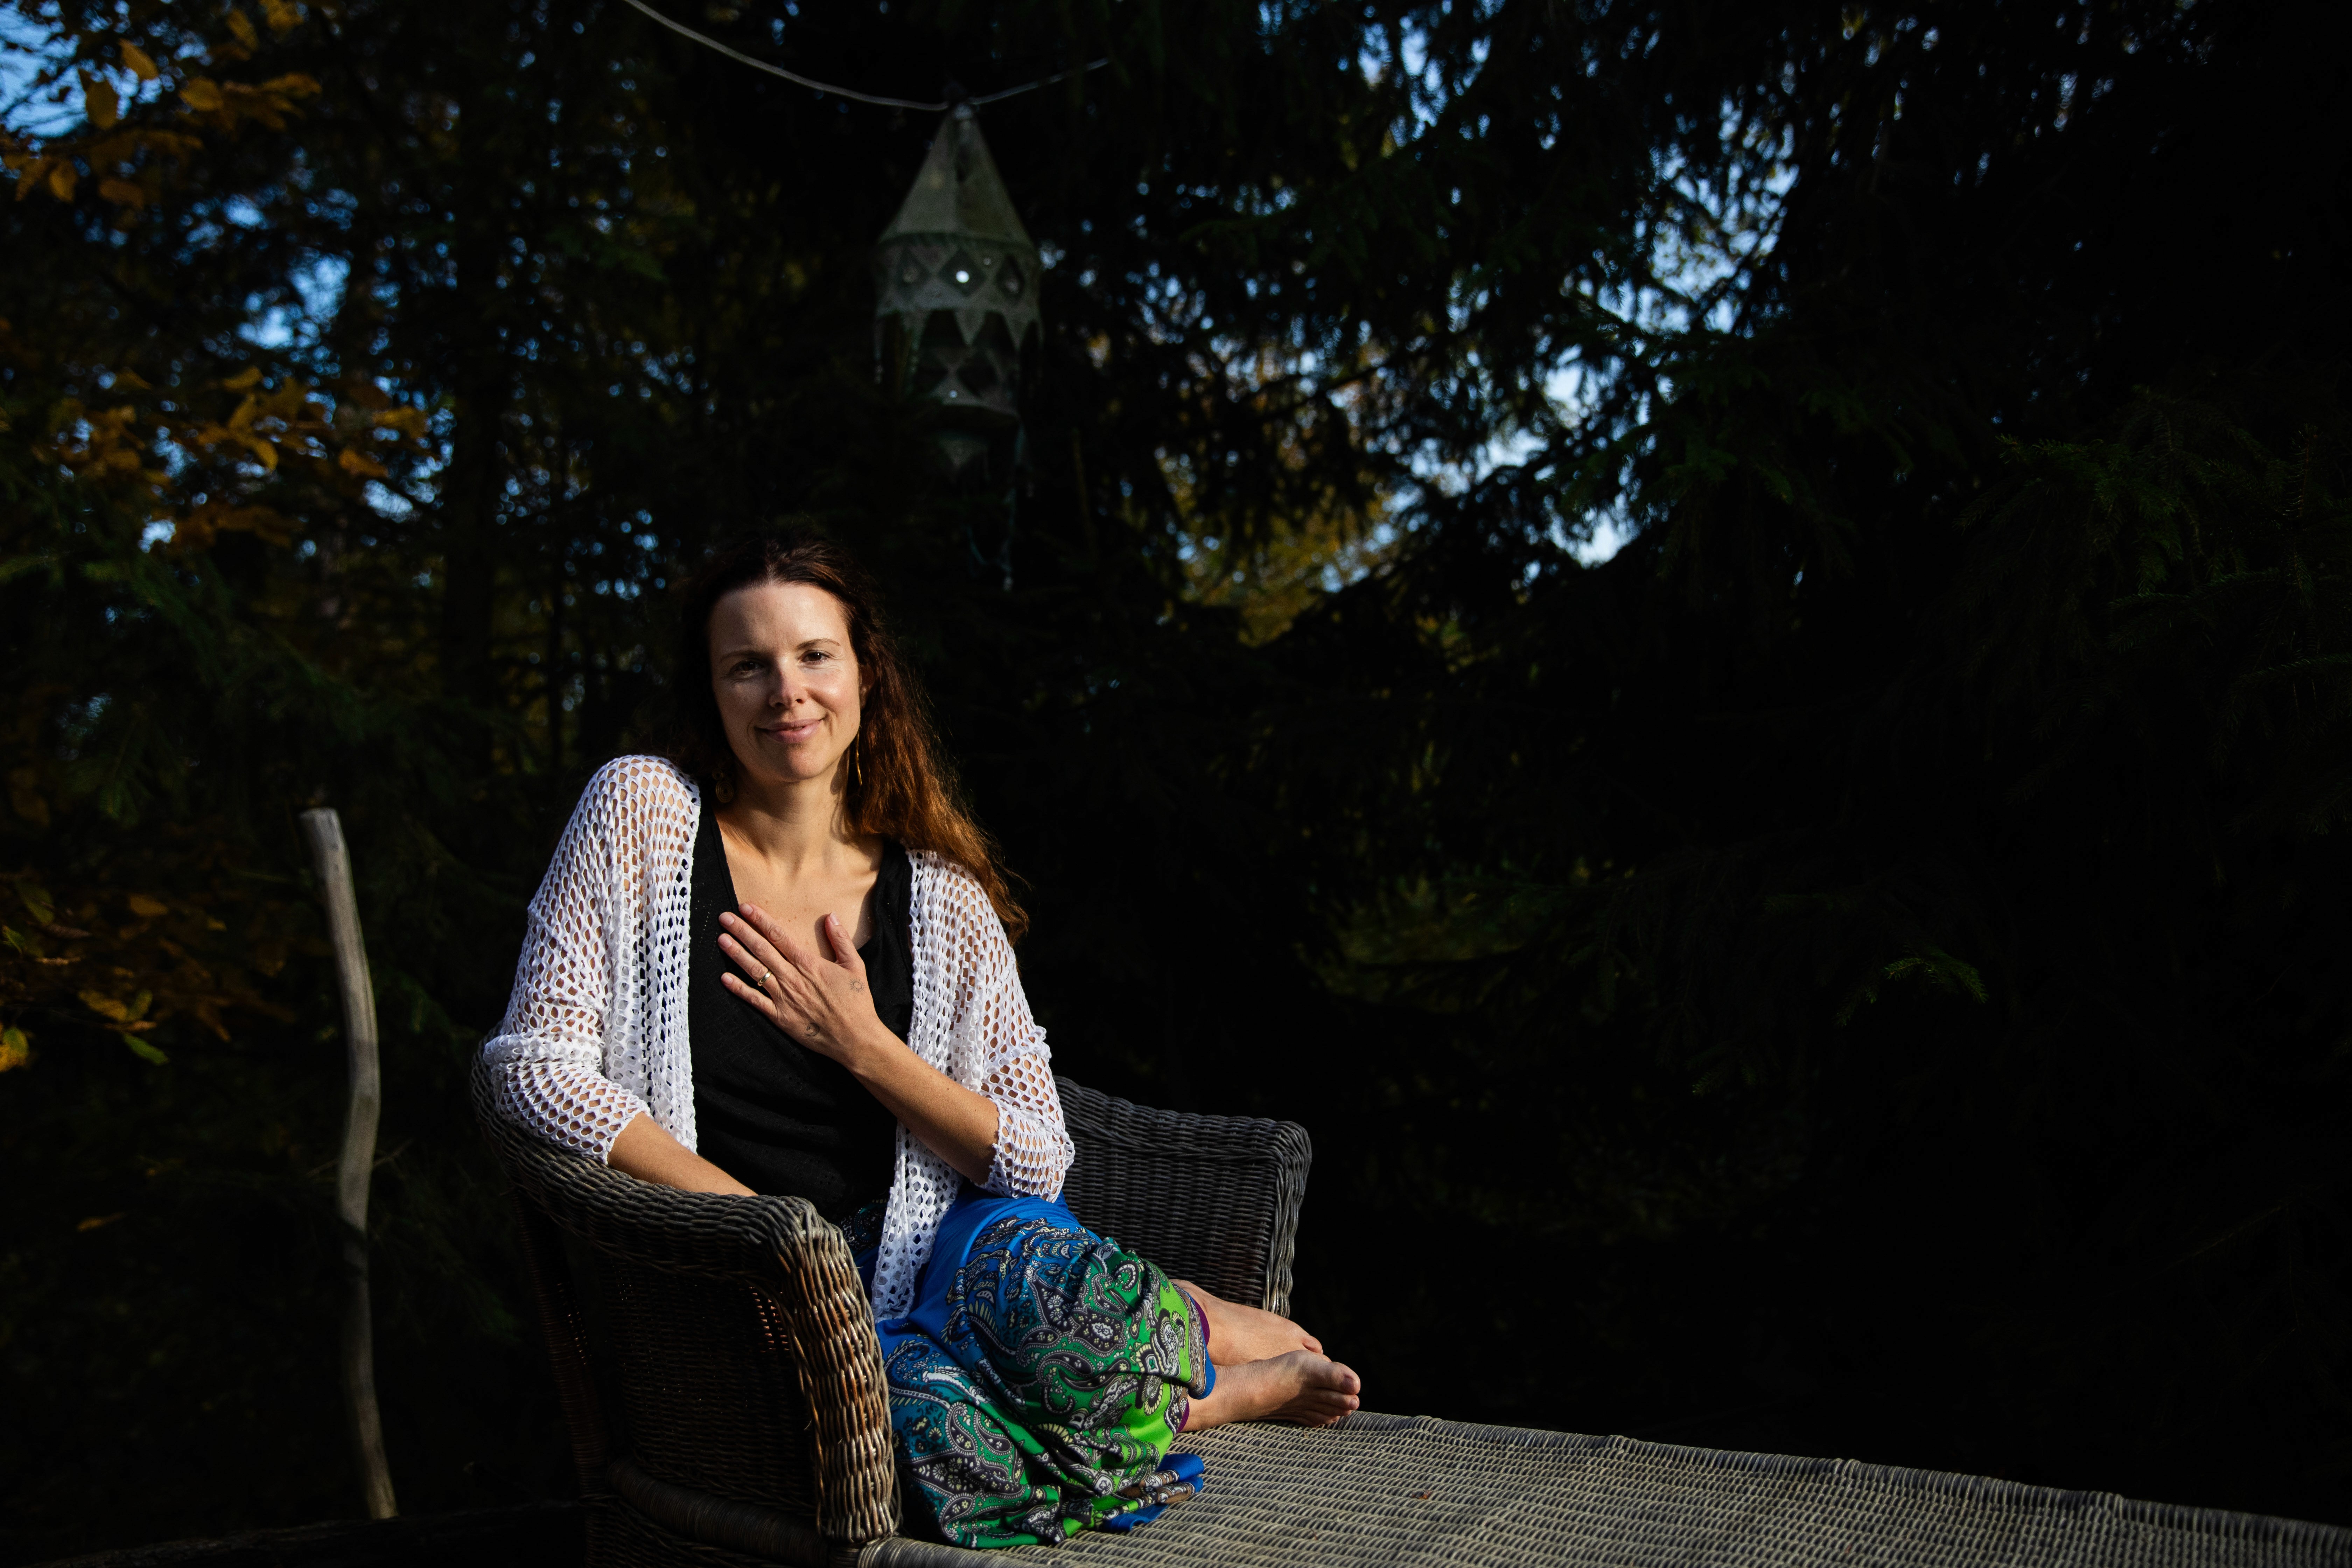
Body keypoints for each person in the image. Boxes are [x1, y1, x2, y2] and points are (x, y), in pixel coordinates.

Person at [481, 532, 1361, 1548]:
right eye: (748, 665)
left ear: (865, 675)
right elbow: (530, 1068)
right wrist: (758, 1222)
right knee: (938, 1451)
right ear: (712, 691)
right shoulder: (641, 815)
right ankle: (1205, 1380)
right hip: (747, 1273)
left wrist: (865, 1046)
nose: (787, 691)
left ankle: (1166, 1326)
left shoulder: (941, 900)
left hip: (939, 1250)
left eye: (816, 655)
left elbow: (1037, 1155)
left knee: (1063, 1316)